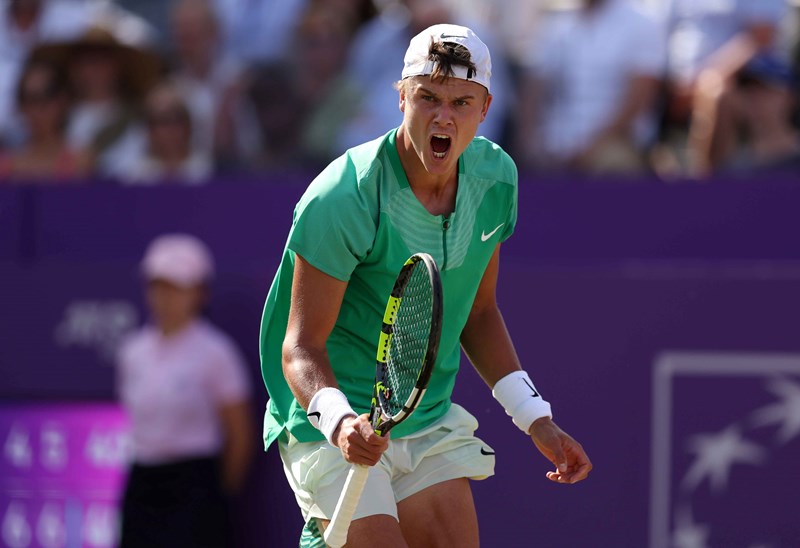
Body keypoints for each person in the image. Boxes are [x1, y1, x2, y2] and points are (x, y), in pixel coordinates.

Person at [259, 24, 592, 547]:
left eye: (462, 102)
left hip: (423, 413)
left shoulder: (496, 180)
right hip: (328, 417)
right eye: (428, 98)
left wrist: (536, 420)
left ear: (484, 111)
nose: (443, 116)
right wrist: (342, 423)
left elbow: (478, 314)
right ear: (401, 99)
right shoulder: (343, 196)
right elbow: (299, 348)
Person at [117, 234, 255, 547]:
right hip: (141, 482)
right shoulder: (132, 351)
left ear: (199, 293)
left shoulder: (216, 353)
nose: (164, 297)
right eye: (157, 286)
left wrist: (214, 498)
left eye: (175, 287)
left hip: (194, 486)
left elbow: (240, 435)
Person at [512, 0, 666, 176]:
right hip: (554, 147)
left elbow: (638, 101)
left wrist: (587, 151)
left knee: (615, 164)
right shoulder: (555, 25)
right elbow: (533, 91)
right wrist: (530, 144)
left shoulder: (641, 23)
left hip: (613, 145)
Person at [0, 58, 92, 182]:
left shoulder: (81, 161)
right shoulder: (6, 164)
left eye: (48, 95)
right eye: (28, 98)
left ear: (63, 99)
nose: (38, 108)